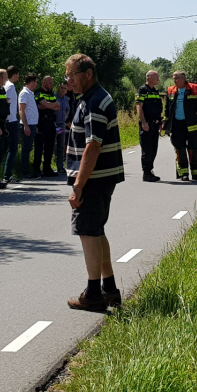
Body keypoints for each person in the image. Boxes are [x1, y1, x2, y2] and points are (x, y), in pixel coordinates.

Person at [64, 54, 125, 312]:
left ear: (87, 73)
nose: (68, 81)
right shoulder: (92, 98)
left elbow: (93, 146)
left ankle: (93, 295)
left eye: (72, 75)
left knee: (88, 232)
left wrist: (78, 185)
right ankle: (109, 290)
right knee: (96, 231)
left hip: (94, 179)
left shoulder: (94, 102)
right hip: (101, 177)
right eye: (66, 76)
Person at [164, 71, 197, 181]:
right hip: (176, 125)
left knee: (194, 149)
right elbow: (167, 109)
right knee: (180, 149)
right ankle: (183, 173)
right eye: (173, 78)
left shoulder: (194, 88)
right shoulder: (170, 90)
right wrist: (165, 122)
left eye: (176, 78)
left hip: (192, 124)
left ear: (183, 79)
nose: (174, 80)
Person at [136, 70, 164, 182]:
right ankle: (146, 173)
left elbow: (158, 109)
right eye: (157, 77)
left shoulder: (155, 91)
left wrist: (161, 122)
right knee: (147, 150)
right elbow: (139, 107)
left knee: (153, 149)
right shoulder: (142, 90)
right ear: (149, 77)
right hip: (147, 124)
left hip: (155, 124)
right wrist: (143, 122)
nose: (159, 79)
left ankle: (150, 171)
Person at [33, 75, 60, 177]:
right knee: (39, 146)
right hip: (41, 123)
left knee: (50, 146)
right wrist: (51, 105)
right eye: (50, 83)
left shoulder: (51, 93)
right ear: (44, 83)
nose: (51, 85)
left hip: (51, 123)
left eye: (52, 83)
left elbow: (58, 106)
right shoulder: (38, 92)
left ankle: (47, 168)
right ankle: (36, 168)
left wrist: (47, 105)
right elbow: (50, 105)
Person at [18, 73, 39, 179]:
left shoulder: (30, 93)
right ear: (32, 82)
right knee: (26, 149)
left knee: (29, 148)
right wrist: (25, 125)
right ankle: (25, 171)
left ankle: (27, 170)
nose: (36, 84)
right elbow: (21, 110)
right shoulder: (24, 93)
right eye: (36, 82)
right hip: (27, 125)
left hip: (32, 124)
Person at [2, 66, 21, 184]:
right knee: (13, 148)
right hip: (11, 120)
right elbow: (6, 100)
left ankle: (6, 174)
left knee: (7, 148)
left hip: (8, 120)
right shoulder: (10, 86)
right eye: (18, 74)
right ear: (14, 74)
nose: (18, 77)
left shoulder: (6, 85)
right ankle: (7, 175)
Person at [55, 81, 70, 174]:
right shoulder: (54, 97)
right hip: (54, 124)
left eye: (65, 88)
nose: (63, 90)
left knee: (61, 146)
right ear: (58, 88)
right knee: (51, 145)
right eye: (62, 88)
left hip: (61, 125)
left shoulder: (66, 99)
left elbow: (68, 109)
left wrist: (65, 116)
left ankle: (60, 166)